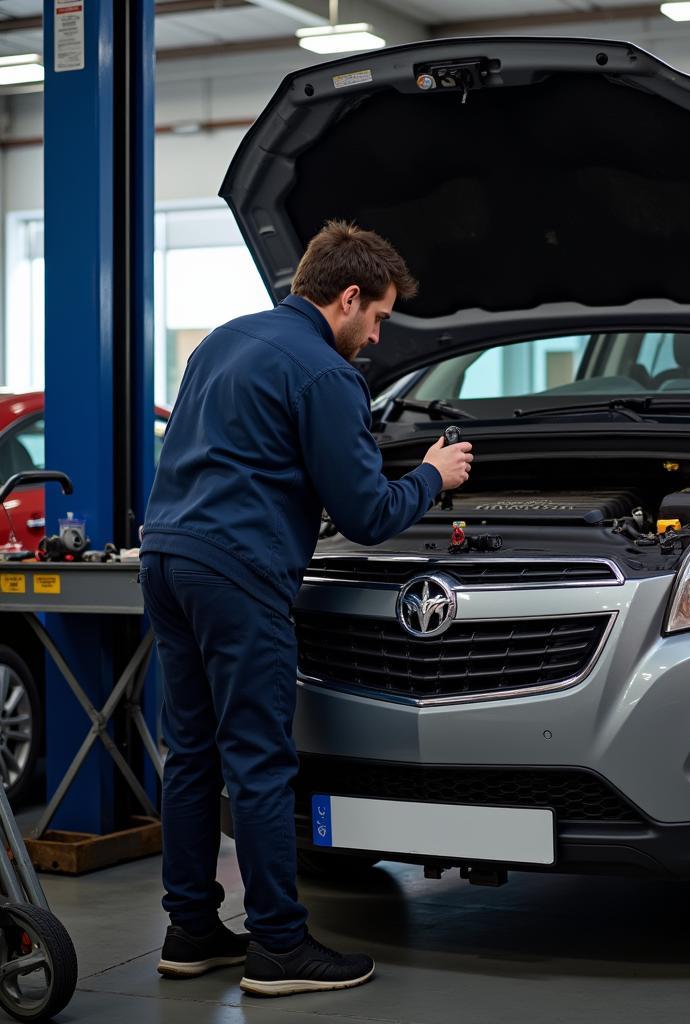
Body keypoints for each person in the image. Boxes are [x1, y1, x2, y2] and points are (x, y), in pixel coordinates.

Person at [139, 221, 472, 997]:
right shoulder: (326, 374)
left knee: (191, 755)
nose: (378, 335)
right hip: (237, 572)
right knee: (258, 760)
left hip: (168, 557)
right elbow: (366, 514)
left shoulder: (223, 340)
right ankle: (280, 947)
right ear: (347, 296)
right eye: (379, 316)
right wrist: (432, 475)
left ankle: (190, 930)